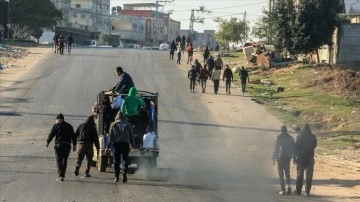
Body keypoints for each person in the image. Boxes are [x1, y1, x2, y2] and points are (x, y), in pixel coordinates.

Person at [46, 113, 76, 181]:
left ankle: (60, 175)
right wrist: (74, 145)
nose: (55, 121)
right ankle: (62, 175)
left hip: (58, 145)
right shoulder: (69, 126)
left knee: (59, 160)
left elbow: (51, 134)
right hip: (67, 145)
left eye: (56, 120)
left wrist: (48, 142)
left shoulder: (56, 125)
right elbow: (73, 136)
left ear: (59, 119)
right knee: (65, 160)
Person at [107, 111, 134, 183]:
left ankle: (116, 177)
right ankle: (124, 171)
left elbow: (110, 136)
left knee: (116, 161)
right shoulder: (128, 124)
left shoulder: (113, 124)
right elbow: (131, 135)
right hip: (125, 144)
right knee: (124, 159)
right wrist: (132, 144)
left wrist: (108, 146)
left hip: (116, 144)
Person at [294, 123, 317, 196]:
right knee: (309, 175)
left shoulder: (299, 136)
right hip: (310, 157)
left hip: (301, 157)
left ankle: (298, 191)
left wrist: (294, 157)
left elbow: (296, 148)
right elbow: (314, 146)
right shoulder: (313, 136)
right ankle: (307, 191)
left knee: (299, 175)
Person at [272, 125, 295, 195]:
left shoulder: (279, 137)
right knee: (287, 173)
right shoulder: (291, 138)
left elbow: (276, 148)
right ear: (286, 130)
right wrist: (293, 158)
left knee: (281, 174)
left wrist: (273, 158)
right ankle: (288, 186)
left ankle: (283, 189)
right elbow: (294, 149)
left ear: (281, 130)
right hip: (288, 158)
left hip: (280, 158)